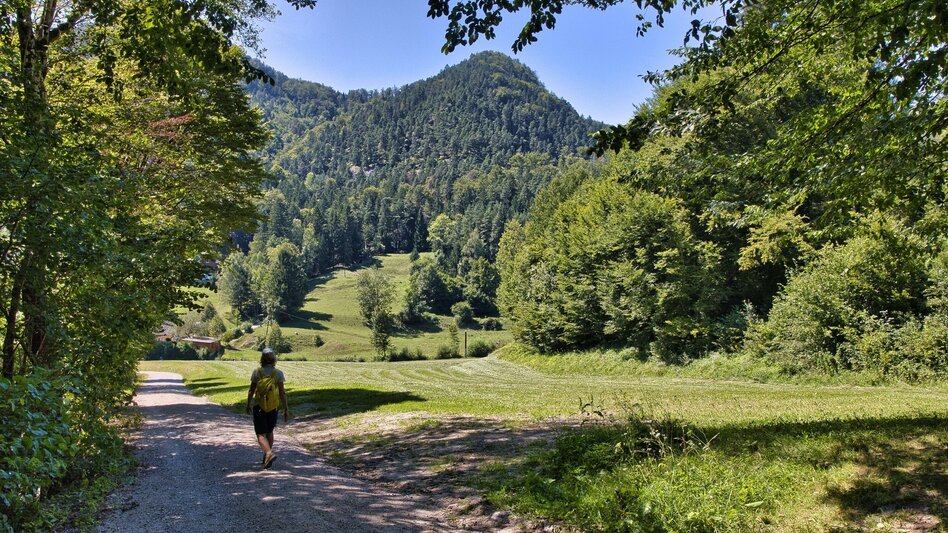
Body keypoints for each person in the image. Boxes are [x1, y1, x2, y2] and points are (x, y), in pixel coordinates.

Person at [246, 347, 289, 469]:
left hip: (259, 407)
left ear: (262, 359)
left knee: (260, 434)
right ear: (274, 359)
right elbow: (282, 393)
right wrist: (286, 409)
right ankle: (266, 456)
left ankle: (268, 453)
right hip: (273, 407)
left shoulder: (257, 372)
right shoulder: (278, 373)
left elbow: (251, 391)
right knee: (269, 432)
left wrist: (248, 404)